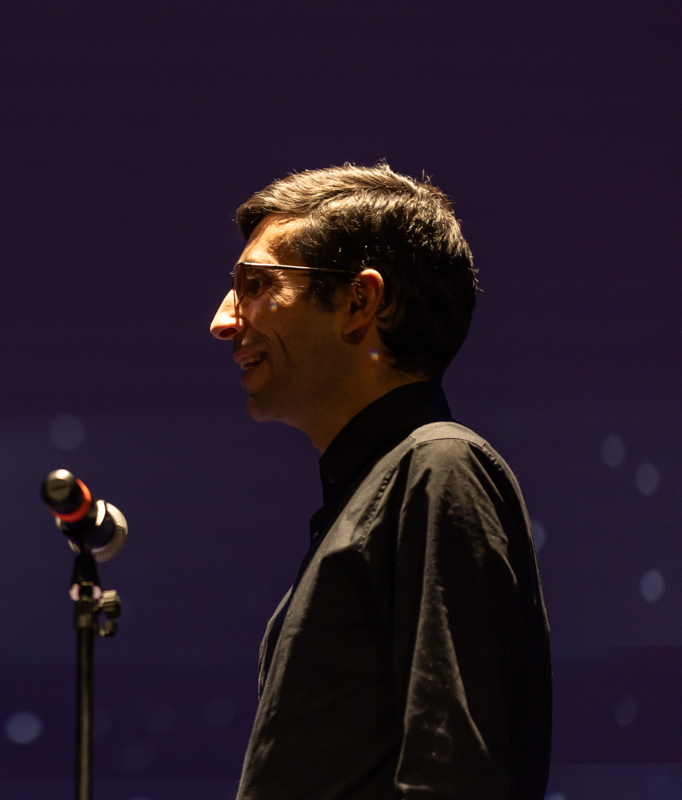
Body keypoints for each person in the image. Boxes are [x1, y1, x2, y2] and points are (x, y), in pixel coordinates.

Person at [208, 163, 551, 799]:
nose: (223, 321)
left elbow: (455, 776)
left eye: (255, 285)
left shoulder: (439, 467)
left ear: (360, 303)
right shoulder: (390, 484)